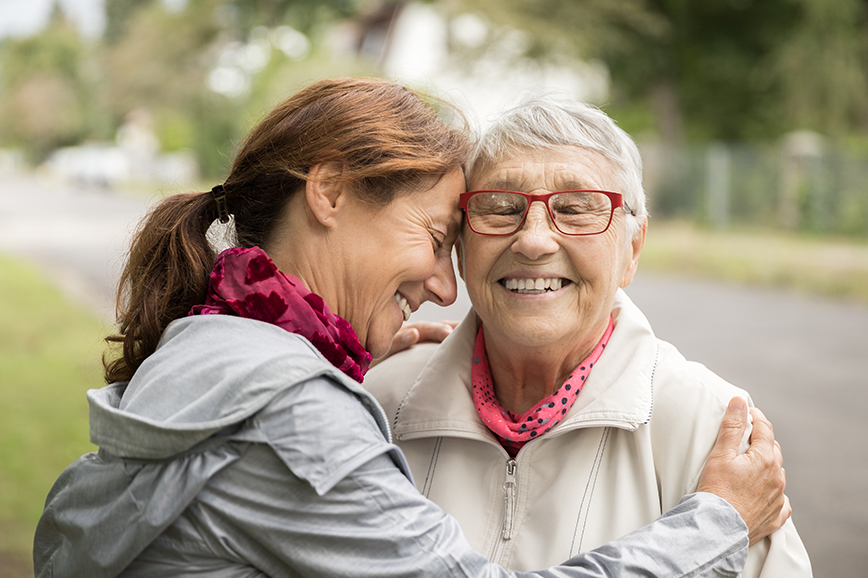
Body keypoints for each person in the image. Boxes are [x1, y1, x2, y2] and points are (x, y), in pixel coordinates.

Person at [33, 78, 788, 578]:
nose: (444, 284)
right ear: (328, 193)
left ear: (633, 245)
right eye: (440, 235)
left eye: (578, 207)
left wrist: (334, 374)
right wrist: (716, 524)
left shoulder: (216, 350)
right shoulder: (298, 409)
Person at [366, 93, 812, 576]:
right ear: (460, 245)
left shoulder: (709, 426)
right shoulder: (378, 400)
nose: (533, 240)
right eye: (499, 207)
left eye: (578, 208)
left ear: (632, 249)